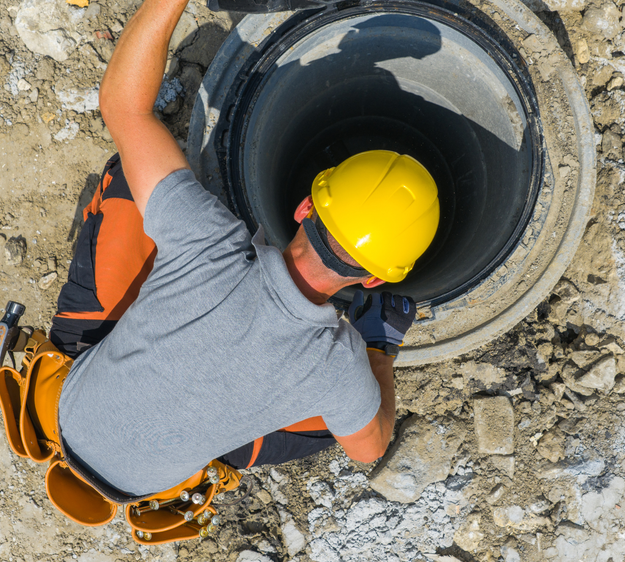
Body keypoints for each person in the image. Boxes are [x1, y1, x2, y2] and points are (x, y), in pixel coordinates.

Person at [49, 0, 440, 498]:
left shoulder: (206, 241)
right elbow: (370, 450)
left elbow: (123, 107)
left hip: (73, 405)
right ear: (375, 278)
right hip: (149, 483)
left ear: (303, 207)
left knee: (135, 169)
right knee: (348, 419)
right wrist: (378, 350)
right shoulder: (338, 368)